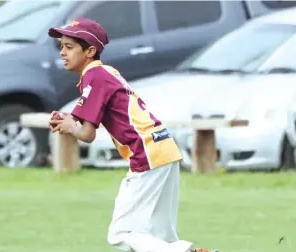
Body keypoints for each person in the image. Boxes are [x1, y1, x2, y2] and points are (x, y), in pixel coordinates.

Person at [48, 17, 217, 252]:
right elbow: (86, 113)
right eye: (61, 47)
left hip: (146, 153)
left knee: (121, 234)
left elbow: (86, 134)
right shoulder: (105, 73)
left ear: (90, 51)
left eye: (69, 47)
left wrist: (70, 126)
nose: (63, 53)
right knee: (160, 238)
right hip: (163, 149)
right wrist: (69, 120)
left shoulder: (94, 76)